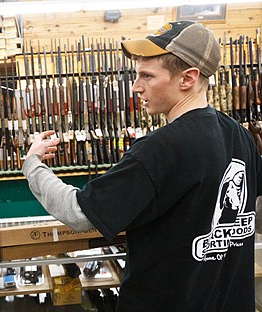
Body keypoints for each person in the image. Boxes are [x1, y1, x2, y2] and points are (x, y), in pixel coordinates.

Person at [23, 21, 262, 311]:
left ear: (188, 78)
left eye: (147, 76)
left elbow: (79, 212)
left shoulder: (159, 149)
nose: (136, 87)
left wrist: (33, 164)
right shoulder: (239, 134)